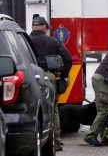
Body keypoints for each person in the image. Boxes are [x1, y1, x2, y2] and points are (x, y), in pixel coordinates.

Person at [29, 16, 72, 152]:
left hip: (29, 78)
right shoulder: (53, 42)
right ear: (43, 27)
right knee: (52, 109)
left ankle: (33, 142)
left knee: (32, 110)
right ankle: (55, 141)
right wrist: (61, 75)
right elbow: (68, 59)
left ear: (32, 27)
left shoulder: (24, 41)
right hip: (48, 78)